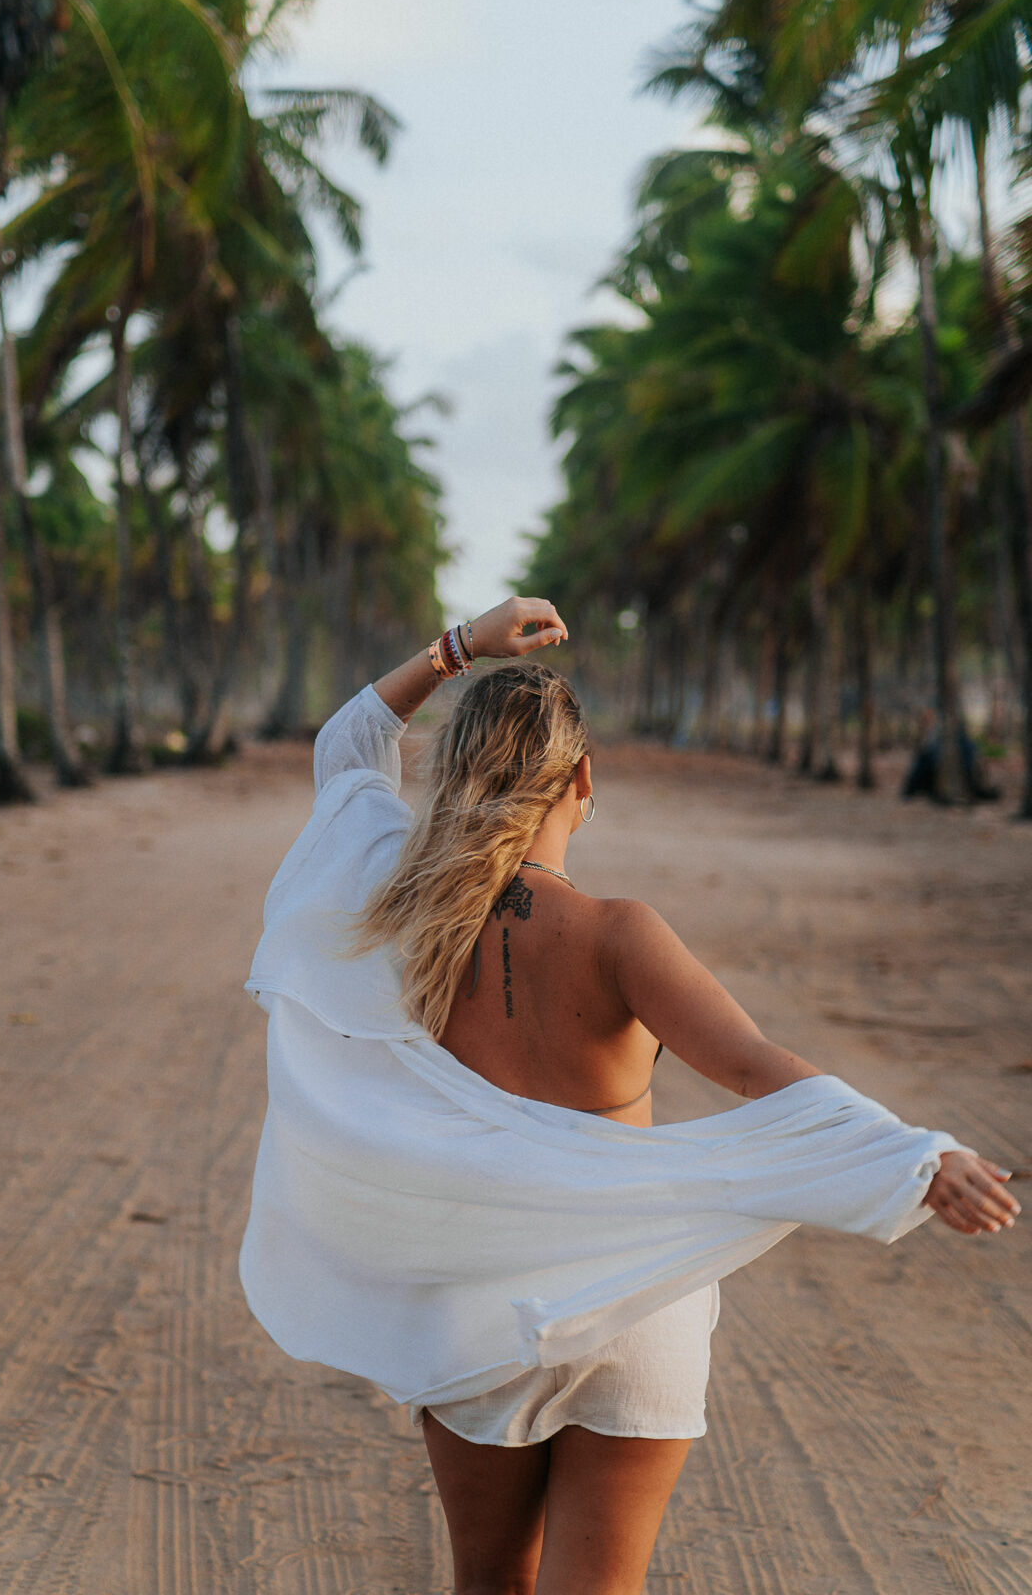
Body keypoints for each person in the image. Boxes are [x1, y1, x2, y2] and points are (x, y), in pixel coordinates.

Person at [239, 597, 1020, 1595]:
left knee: (487, 1583)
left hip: (479, 1305)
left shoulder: (399, 913)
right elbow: (754, 1065)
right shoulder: (619, 934)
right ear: (582, 779)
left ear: (452, 774)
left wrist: (460, 648)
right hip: (635, 1298)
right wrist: (914, 1155)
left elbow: (347, 747)